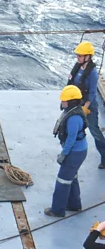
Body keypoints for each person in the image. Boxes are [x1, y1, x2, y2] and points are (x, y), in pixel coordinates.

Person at [46, 85, 87, 216]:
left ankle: (57, 210)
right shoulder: (74, 111)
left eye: (64, 100)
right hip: (79, 151)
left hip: (74, 153)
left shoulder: (74, 118)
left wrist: (64, 154)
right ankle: (74, 205)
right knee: (72, 177)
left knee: (62, 181)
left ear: (71, 101)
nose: (62, 102)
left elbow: (71, 138)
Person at [67, 41, 105, 169]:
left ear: (87, 57)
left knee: (94, 131)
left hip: (88, 106)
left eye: (80, 56)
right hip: (76, 103)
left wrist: (85, 108)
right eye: (77, 55)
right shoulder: (77, 67)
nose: (77, 58)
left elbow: (93, 93)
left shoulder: (92, 73)